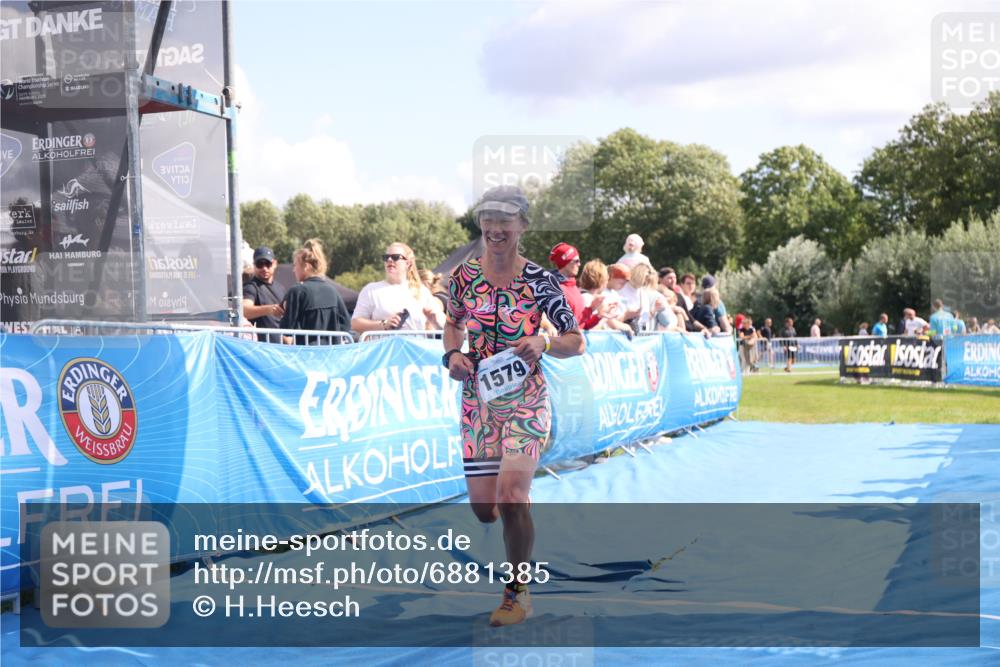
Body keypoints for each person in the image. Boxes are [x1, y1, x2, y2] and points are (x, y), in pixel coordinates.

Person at [443, 186, 585, 627]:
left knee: (512, 496)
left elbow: (576, 341)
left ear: (522, 226)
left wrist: (544, 341)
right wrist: (452, 356)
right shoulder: (463, 278)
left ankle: (517, 591)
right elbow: (452, 326)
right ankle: (515, 516)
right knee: (486, 510)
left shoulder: (541, 281)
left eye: (505, 220)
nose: (495, 228)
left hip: (526, 400)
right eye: (488, 219)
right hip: (479, 403)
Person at [352, 243, 445, 333]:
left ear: (407, 263)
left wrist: (434, 321)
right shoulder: (370, 290)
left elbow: (442, 323)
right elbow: (355, 324)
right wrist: (383, 324)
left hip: (413, 348)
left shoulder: (421, 291)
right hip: (384, 348)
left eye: (395, 257)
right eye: (386, 257)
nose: (389, 260)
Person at [279, 239, 351, 345]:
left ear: (306, 267)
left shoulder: (297, 291)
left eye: (295, 265)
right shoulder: (332, 291)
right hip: (330, 355)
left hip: (306, 355)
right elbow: (346, 324)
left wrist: (284, 313)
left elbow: (286, 329)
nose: (294, 270)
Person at [241, 246, 286, 343]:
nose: (264, 268)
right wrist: (269, 309)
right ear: (254, 265)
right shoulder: (251, 287)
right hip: (260, 349)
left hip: (281, 348)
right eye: (259, 264)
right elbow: (244, 310)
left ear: (274, 264)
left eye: (268, 264)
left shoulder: (281, 288)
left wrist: (288, 338)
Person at [548, 242, 586, 325]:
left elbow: (581, 324)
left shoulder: (573, 286)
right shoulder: (554, 288)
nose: (579, 264)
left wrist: (597, 315)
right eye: (576, 261)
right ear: (565, 262)